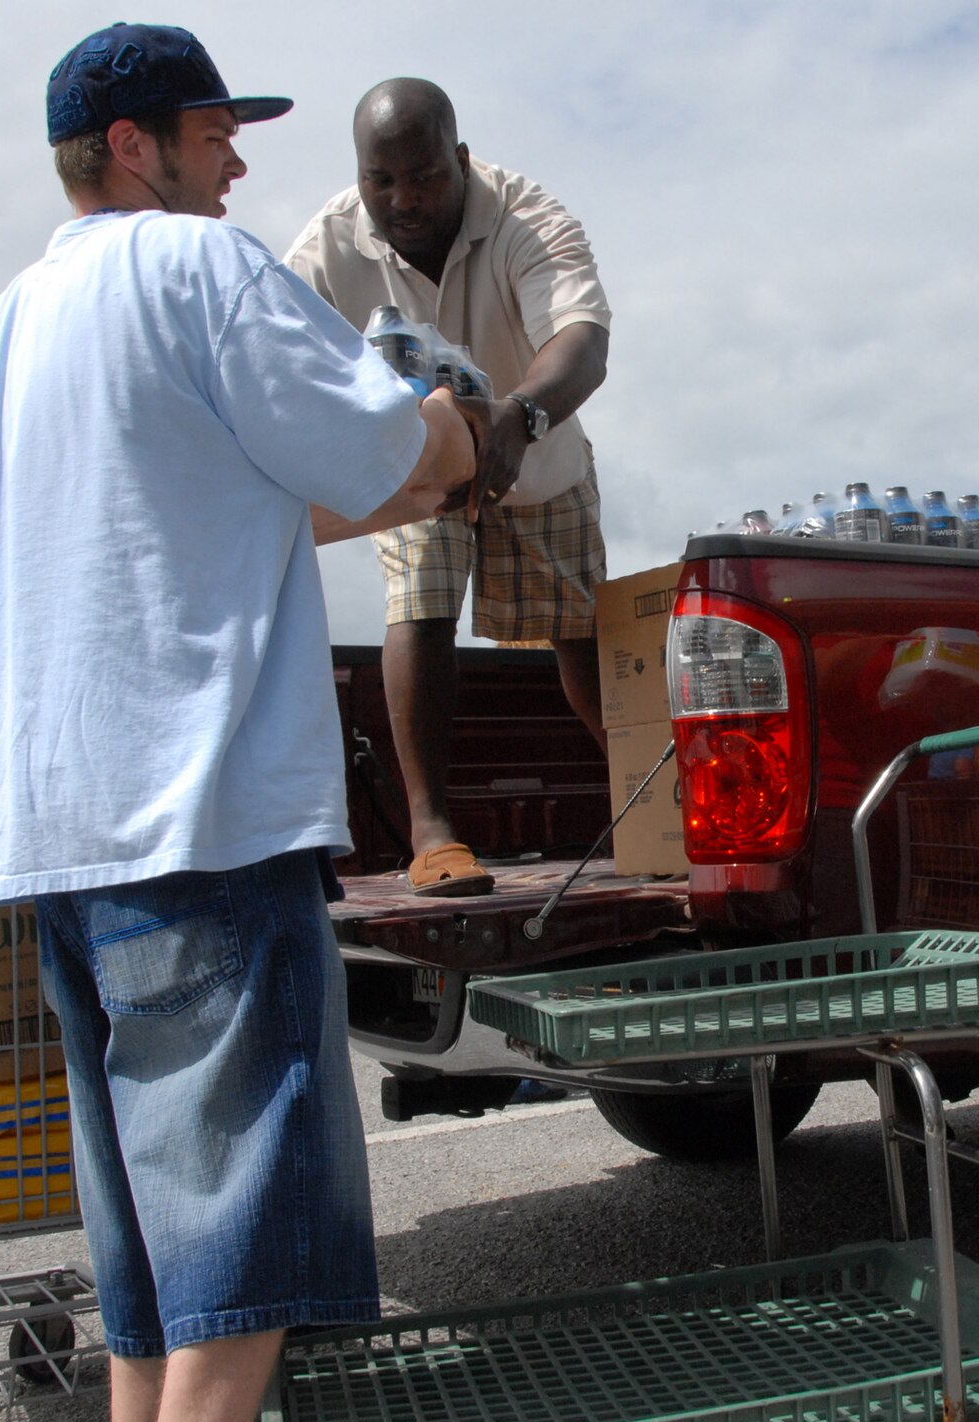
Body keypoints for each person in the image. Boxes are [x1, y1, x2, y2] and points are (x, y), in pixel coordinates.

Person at [0, 25, 480, 1422]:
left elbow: (247, 511)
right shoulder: (195, 268)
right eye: (213, 126)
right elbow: (388, 455)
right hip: (201, 820)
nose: (239, 154)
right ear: (134, 146)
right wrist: (460, 420)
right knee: (241, 1260)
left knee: (155, 1271)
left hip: (59, 837)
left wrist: (393, 477)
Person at [286, 78, 612, 897]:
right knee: (421, 601)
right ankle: (433, 833)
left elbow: (582, 339)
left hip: (535, 450)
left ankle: (649, 798)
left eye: (425, 176)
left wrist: (519, 417)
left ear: (460, 160)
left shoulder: (526, 216)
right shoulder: (323, 248)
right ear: (359, 176)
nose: (404, 198)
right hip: (418, 458)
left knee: (581, 633)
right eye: (381, 180)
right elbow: (279, 358)